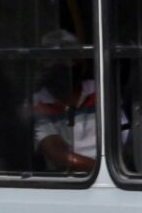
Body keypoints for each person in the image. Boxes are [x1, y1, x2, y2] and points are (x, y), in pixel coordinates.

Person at [29, 39, 98, 175]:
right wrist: (102, 171)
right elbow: (61, 158)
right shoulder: (38, 102)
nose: (48, 70)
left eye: (58, 61)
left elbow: (125, 137)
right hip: (69, 182)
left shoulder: (99, 90)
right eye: (46, 63)